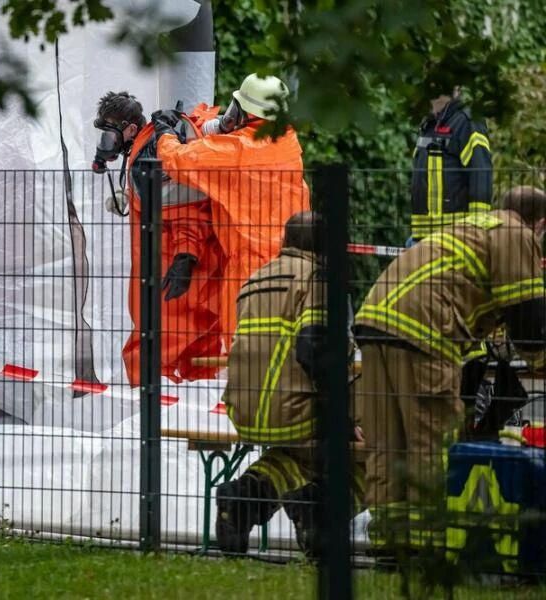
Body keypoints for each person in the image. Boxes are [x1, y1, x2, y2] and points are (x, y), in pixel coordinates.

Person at [354, 186, 546, 553]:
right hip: (423, 331)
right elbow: (529, 319)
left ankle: (389, 545)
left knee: (387, 446)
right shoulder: (516, 232)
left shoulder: (471, 226)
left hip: (374, 323)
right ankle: (430, 548)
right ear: (541, 223)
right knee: (433, 442)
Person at [94, 73, 309, 385]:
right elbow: (216, 143)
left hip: (251, 265)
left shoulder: (238, 150)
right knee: (282, 344)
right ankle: (280, 414)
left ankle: (257, 420)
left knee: (247, 349)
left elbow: (179, 159)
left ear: (249, 114)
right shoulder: (287, 142)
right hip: (294, 259)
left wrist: (167, 134)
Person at [214, 211, 365, 557]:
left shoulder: (253, 280)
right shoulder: (319, 280)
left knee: (295, 456)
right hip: (293, 411)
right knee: (370, 454)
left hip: (246, 411)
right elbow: (316, 349)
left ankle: (240, 500)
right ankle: (320, 512)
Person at [409, 85, 492, 245]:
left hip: (455, 238)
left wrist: (476, 232)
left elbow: (481, 175)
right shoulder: (429, 124)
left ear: (457, 85)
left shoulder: (467, 122)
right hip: (422, 238)